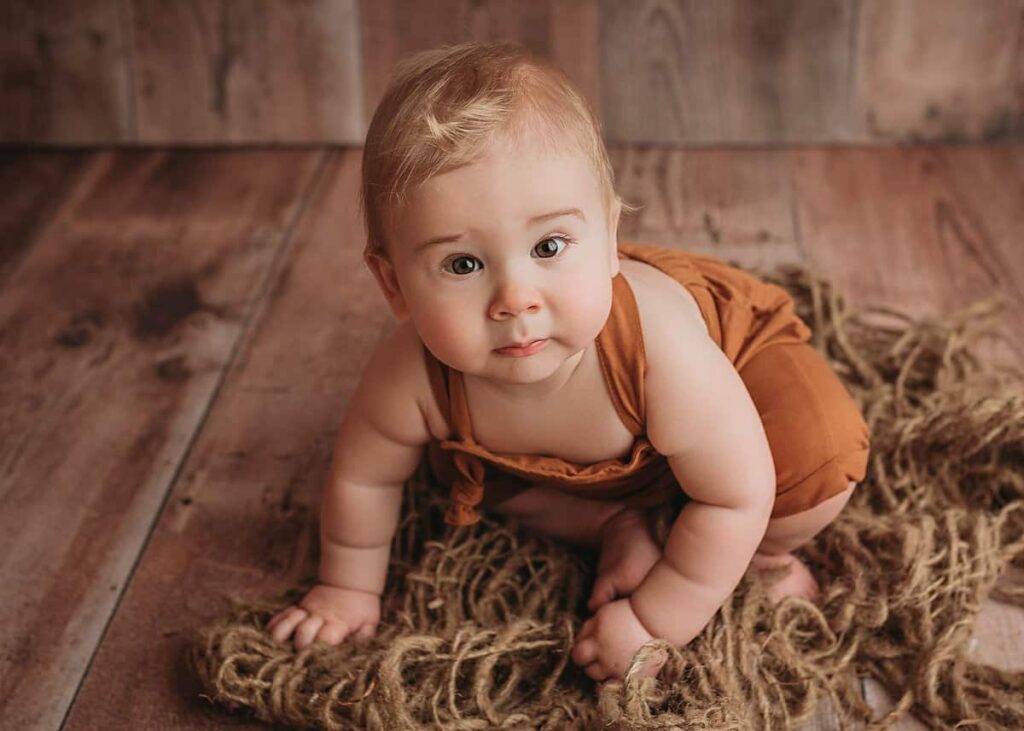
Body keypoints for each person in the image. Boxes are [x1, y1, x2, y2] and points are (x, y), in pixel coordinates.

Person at [267, 40, 870, 682]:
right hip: (609, 463)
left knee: (812, 465)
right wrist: (348, 588)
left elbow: (737, 495)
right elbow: (366, 480)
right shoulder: (410, 376)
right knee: (457, 473)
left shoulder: (661, 347)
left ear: (609, 241)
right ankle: (618, 518)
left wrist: (652, 623)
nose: (515, 300)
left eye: (550, 245)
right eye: (463, 264)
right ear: (393, 285)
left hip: (735, 367)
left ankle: (767, 555)